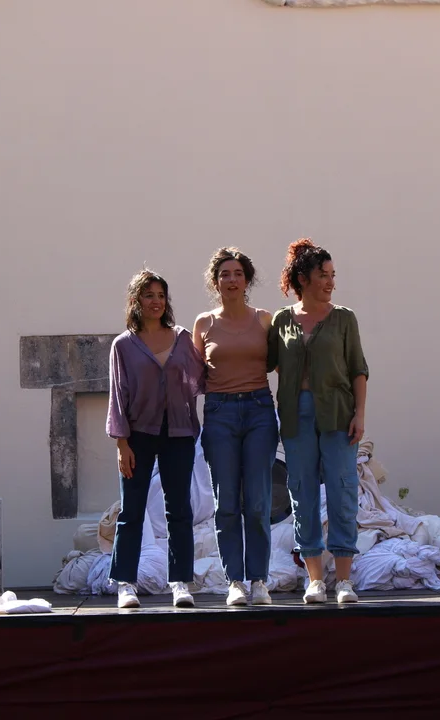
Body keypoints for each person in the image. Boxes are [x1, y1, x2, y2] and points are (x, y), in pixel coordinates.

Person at [268, 238, 369, 605]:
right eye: (323, 275)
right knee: (302, 492)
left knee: (343, 491)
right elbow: (265, 362)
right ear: (303, 278)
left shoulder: (344, 318)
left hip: (339, 413)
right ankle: (314, 580)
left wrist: (360, 414)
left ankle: (343, 580)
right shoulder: (281, 320)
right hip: (296, 416)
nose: (330, 282)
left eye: (332, 275)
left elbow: (358, 369)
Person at [106, 269, 204, 609]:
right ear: (136, 300)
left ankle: (180, 583)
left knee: (180, 510)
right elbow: (118, 396)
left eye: (161, 295)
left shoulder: (182, 338)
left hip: (179, 433)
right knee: (131, 510)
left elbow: (201, 378)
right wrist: (121, 444)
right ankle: (125, 584)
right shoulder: (123, 345)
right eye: (149, 295)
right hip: (138, 435)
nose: (156, 301)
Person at [192, 248, 278, 607]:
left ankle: (259, 580)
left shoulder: (265, 320)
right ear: (215, 282)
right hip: (220, 413)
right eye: (225, 274)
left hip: (259, 410)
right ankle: (235, 582)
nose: (231, 280)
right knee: (225, 502)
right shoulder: (204, 324)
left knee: (257, 502)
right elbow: (192, 376)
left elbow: (282, 366)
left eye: (238, 273)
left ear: (247, 280)